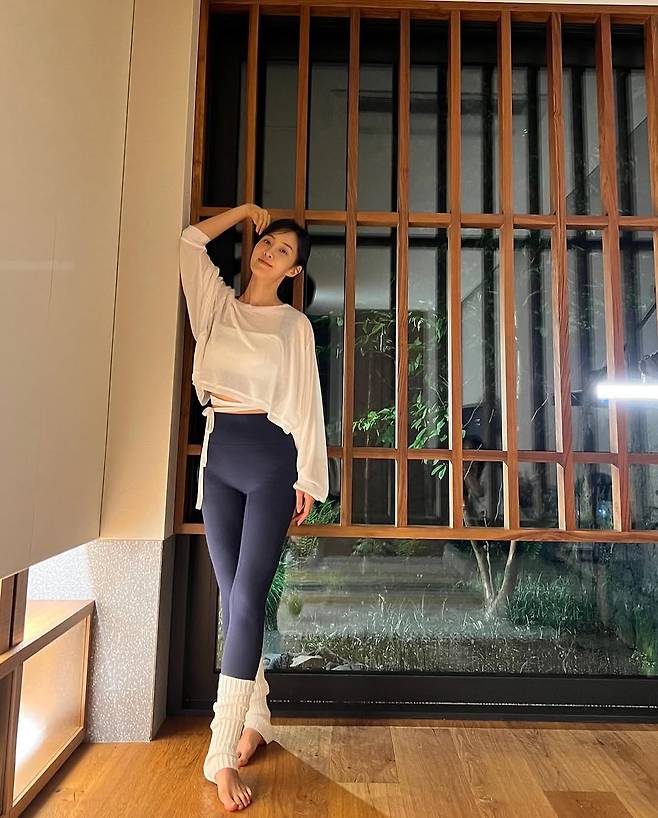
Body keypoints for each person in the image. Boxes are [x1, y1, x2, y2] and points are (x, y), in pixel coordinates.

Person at [179, 203, 329, 811]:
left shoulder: (294, 326)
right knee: (231, 597)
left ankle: (218, 753)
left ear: (294, 272)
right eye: (268, 242)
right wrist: (243, 212)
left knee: (246, 598)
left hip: (271, 460)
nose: (270, 252)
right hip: (219, 457)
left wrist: (308, 477)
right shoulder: (216, 306)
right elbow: (190, 242)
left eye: (284, 251)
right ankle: (258, 715)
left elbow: (308, 402)